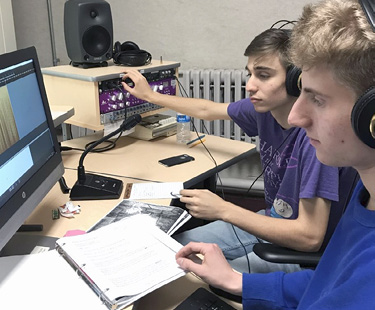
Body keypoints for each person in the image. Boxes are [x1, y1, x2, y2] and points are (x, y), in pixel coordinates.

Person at [175, 0, 375, 308]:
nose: (295, 117)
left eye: (317, 100)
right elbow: (327, 279)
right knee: (180, 253)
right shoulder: (367, 187)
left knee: (179, 285)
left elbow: (314, 245)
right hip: (276, 228)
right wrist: (236, 281)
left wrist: (224, 209)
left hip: (293, 248)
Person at [121, 29, 355, 274]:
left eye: (263, 75)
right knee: (170, 248)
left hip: (301, 255)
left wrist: (224, 209)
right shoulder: (264, 111)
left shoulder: (315, 141)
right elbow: (206, 109)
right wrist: (150, 96)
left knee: (187, 269)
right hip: (270, 223)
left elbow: (310, 237)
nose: (250, 85)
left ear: (296, 81)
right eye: (250, 74)